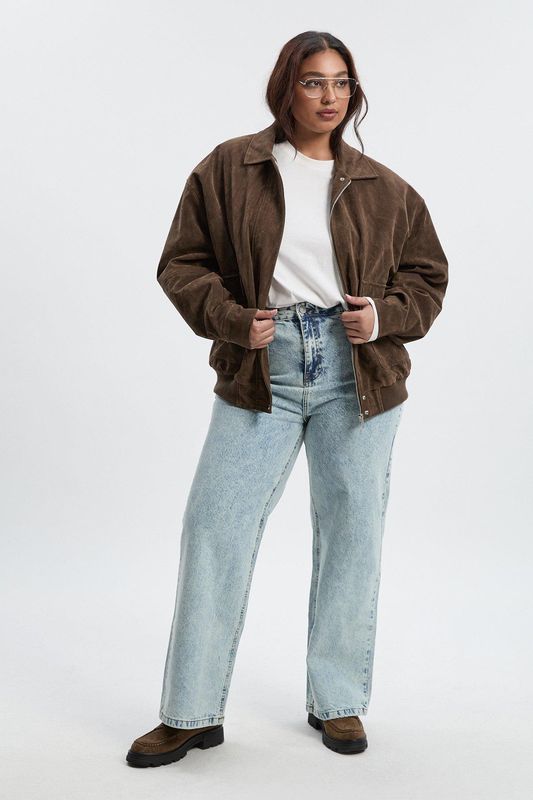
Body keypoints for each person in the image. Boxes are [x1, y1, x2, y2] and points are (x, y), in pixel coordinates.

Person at [126, 30, 448, 767]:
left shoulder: (384, 186)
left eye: (341, 82)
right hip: (260, 366)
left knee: (351, 534)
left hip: (356, 373)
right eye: (313, 81)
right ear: (285, 87)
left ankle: (337, 701)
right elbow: (182, 263)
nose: (329, 96)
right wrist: (233, 320)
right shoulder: (229, 168)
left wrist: (383, 317)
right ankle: (190, 712)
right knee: (214, 527)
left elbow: (427, 277)